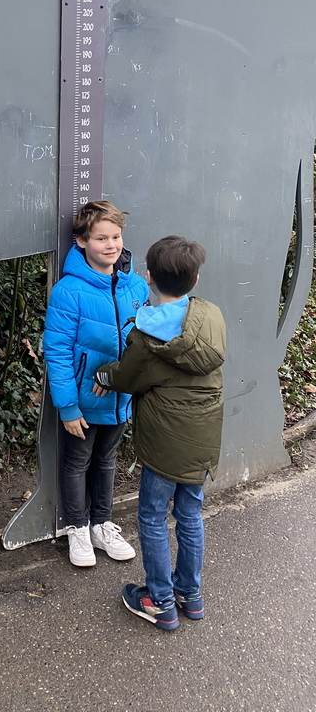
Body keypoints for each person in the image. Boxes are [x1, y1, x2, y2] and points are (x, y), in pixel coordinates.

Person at [93, 235, 226, 630]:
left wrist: (104, 373)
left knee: (152, 516)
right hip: (203, 436)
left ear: (147, 276)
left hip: (166, 440)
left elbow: (131, 376)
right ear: (196, 280)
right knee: (189, 514)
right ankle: (191, 595)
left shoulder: (147, 337)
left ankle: (159, 601)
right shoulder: (211, 318)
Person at [44, 200, 149, 567]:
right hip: (84, 400)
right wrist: (68, 406)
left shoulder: (135, 286)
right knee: (78, 462)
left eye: (116, 236)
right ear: (81, 242)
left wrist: (123, 375)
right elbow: (56, 353)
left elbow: (145, 340)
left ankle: (102, 523)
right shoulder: (68, 291)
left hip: (120, 398)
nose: (111, 245)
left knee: (106, 460)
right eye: (101, 238)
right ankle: (77, 527)